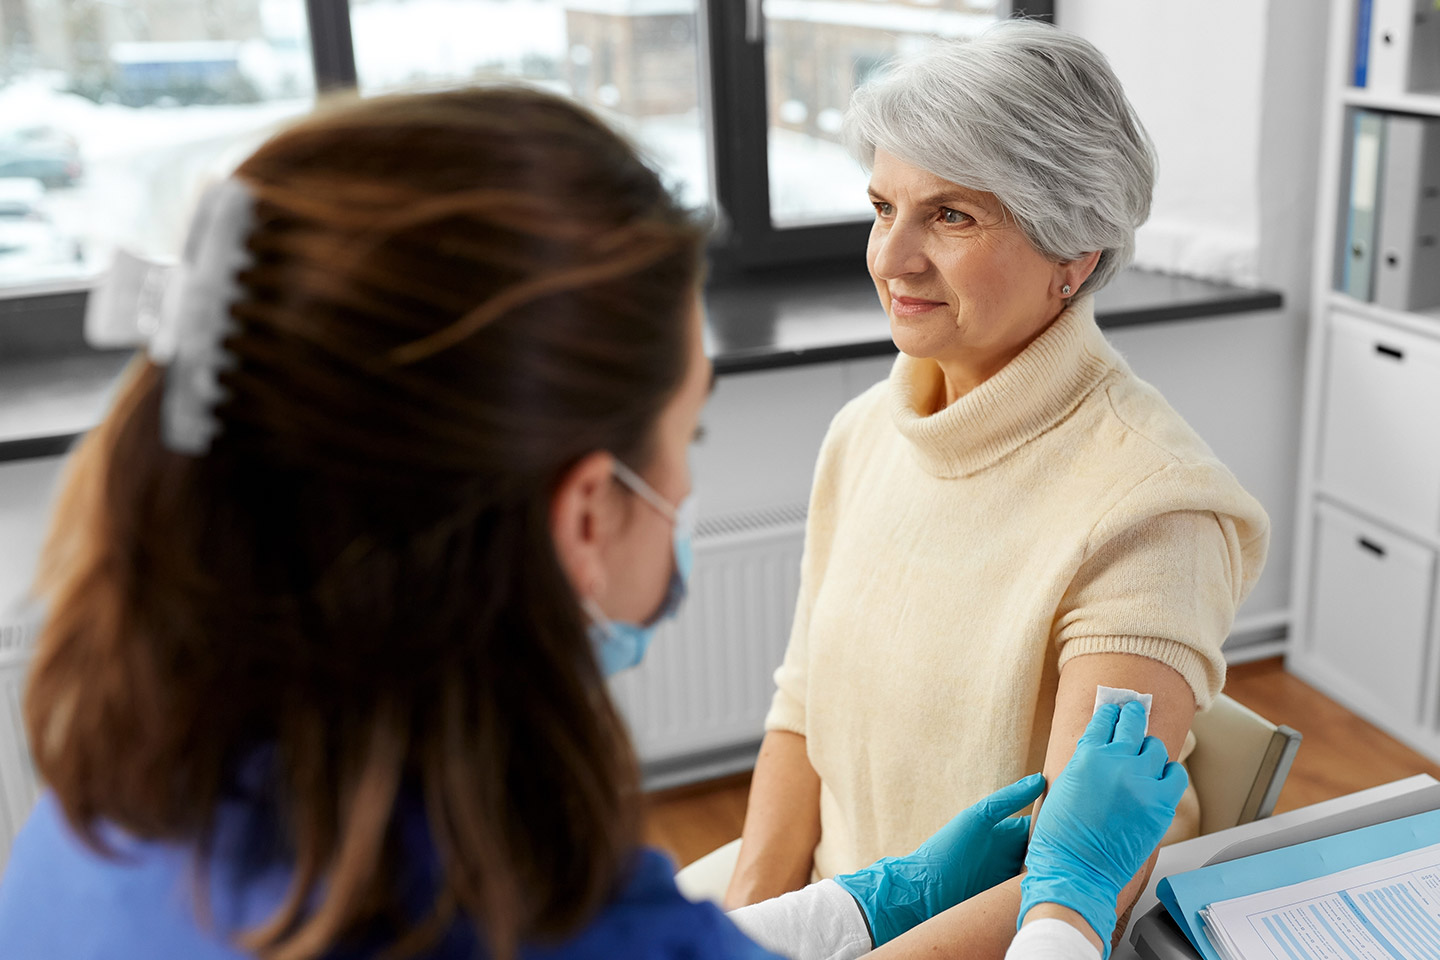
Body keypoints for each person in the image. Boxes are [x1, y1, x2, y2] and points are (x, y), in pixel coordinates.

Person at [0, 84, 1184, 960]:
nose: (895, 256)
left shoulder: (107, 811)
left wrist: (867, 902)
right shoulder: (527, 904)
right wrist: (1069, 905)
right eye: (687, 437)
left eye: (954, 214)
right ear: (583, 511)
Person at [724, 18, 1270, 956]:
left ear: (1075, 256)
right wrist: (736, 934)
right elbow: (801, 713)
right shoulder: (864, 433)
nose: (890, 258)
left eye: (951, 216)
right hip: (841, 911)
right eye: (883, 207)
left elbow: (1077, 874)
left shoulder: (1152, 508)